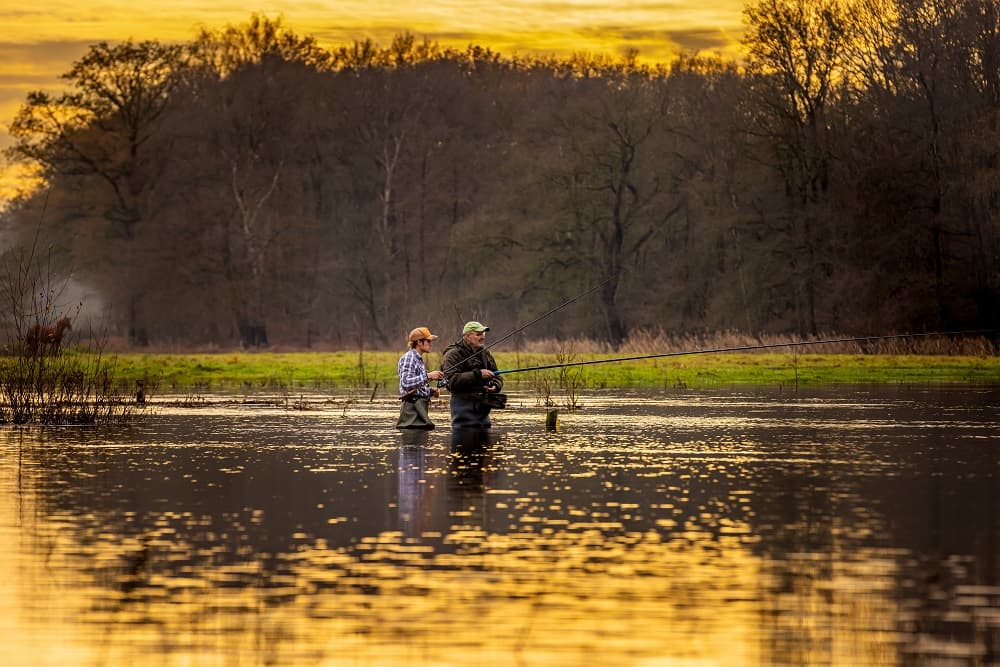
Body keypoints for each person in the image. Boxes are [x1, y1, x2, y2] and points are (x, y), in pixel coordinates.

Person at [440, 321, 505, 429]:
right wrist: (478, 375)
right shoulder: (452, 354)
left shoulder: (485, 353)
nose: (482, 337)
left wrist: (495, 385)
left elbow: (497, 375)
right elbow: (450, 381)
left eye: (483, 334)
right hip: (463, 407)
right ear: (468, 336)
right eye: (479, 334)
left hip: (483, 409)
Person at [396, 326, 445, 429]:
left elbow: (416, 387)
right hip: (412, 410)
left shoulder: (418, 359)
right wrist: (429, 375)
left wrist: (431, 391)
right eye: (428, 341)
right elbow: (406, 383)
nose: (430, 344)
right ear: (419, 342)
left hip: (419, 408)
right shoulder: (409, 358)